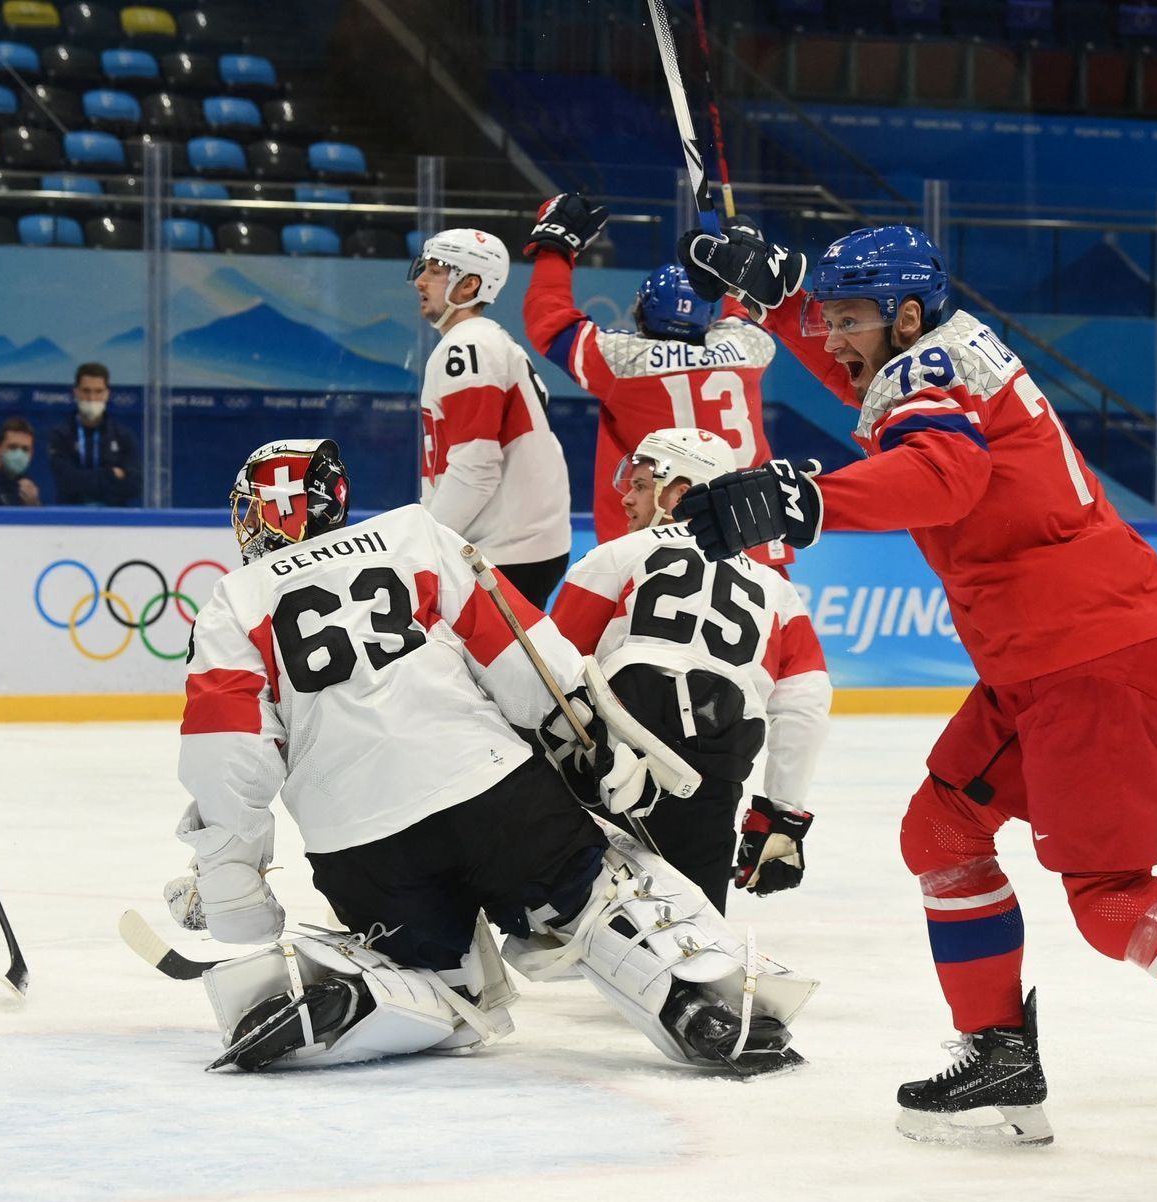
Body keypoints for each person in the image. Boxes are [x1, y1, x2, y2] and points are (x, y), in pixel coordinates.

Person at [667, 219, 1157, 1151]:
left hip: (1083, 655)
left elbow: (943, 475)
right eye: (828, 318)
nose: (834, 339)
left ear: (906, 316)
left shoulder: (927, 376)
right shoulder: (930, 351)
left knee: (1110, 897)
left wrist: (807, 498)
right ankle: (999, 1056)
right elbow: (883, 400)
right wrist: (781, 295)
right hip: (1047, 653)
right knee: (941, 829)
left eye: (848, 319)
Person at [169, 437, 810, 1074]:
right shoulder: (414, 536)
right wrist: (585, 737)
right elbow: (518, 645)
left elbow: (226, 754)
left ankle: (363, 993)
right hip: (489, 787)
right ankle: (698, 998)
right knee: (598, 898)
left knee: (448, 987)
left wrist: (232, 883)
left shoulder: (231, 602)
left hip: (357, 839)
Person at [549, 427, 830, 911]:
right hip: (723, 745)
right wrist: (781, 814)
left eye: (640, 485)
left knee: (566, 897)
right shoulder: (777, 589)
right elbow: (806, 701)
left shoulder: (616, 555)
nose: (625, 497)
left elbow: (551, 665)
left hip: (624, 732)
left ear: (680, 493)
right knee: (696, 914)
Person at [521, 193, 784, 563]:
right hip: (751, 532)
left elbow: (547, 319)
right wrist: (740, 263)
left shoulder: (622, 363)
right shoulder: (747, 349)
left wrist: (555, 246)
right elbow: (747, 307)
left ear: (642, 313)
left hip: (653, 542)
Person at [410, 229, 572, 605]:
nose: (420, 280)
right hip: (521, 545)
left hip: (505, 551)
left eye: (435, 270)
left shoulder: (468, 346)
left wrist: (426, 541)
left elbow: (476, 465)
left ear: (468, 285)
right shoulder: (488, 339)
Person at [48, 362, 139, 506]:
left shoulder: (123, 436)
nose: (92, 398)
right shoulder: (60, 434)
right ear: (76, 392)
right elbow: (66, 481)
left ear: (107, 394)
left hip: (114, 519)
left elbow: (135, 486)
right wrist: (110, 475)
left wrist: (82, 479)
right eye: (86, 391)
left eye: (98, 391)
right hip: (71, 518)